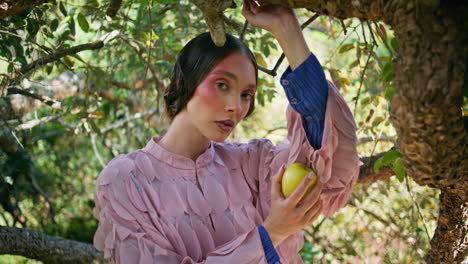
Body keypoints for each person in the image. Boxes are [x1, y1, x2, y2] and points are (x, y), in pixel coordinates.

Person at [93, 0, 362, 263]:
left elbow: (330, 154)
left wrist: (287, 28)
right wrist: (271, 234)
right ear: (187, 81)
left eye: (247, 94)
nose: (236, 106)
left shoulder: (255, 164)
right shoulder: (125, 181)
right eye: (222, 84)